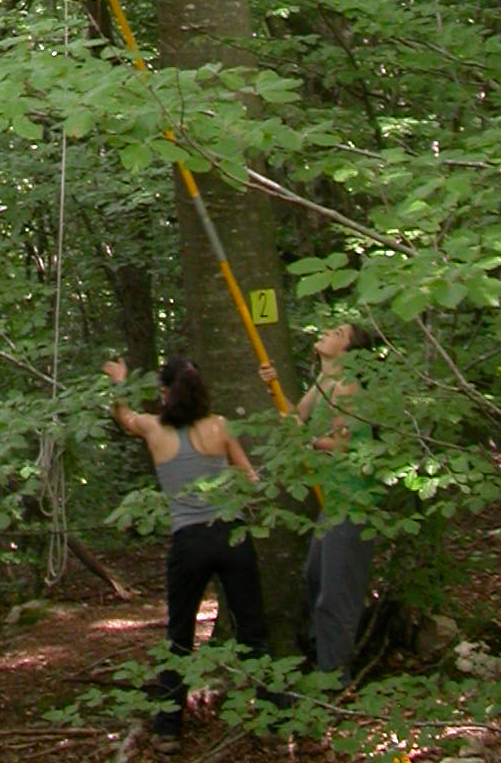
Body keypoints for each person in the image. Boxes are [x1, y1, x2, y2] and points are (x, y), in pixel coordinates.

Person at [103, 352, 271, 747]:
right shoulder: (220, 427)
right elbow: (250, 478)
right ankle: (276, 718)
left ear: (165, 393)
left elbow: (124, 417)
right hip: (231, 535)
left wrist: (120, 382)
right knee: (252, 630)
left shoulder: (154, 428)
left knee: (179, 633)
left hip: (189, 542)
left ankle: (167, 728)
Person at [297, 319, 381, 684]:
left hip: (353, 501)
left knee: (335, 594)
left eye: (339, 333)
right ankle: (324, 659)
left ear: (348, 352)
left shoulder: (348, 390)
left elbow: (344, 446)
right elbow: (295, 418)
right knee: (313, 577)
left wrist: (312, 443)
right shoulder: (323, 385)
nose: (328, 332)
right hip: (331, 503)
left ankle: (334, 677)